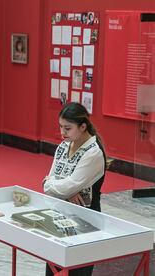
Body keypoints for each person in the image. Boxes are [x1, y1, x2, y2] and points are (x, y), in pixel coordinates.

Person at [43, 102, 107, 276]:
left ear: (83, 126)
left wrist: (59, 187)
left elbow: (64, 185)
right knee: (53, 268)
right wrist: (60, 187)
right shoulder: (63, 146)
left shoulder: (93, 152)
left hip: (86, 219)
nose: (62, 133)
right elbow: (50, 183)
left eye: (68, 128)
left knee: (78, 270)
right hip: (59, 215)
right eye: (61, 127)